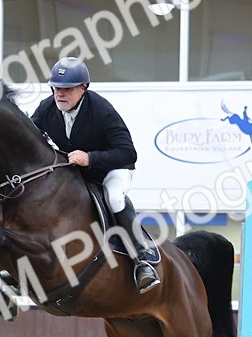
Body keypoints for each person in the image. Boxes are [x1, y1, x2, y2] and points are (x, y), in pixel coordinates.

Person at [30, 57, 160, 293]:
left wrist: (91, 158)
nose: (60, 94)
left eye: (67, 89)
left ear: (83, 88)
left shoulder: (102, 110)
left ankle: (141, 261)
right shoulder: (46, 108)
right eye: (56, 88)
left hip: (111, 170)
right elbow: (29, 141)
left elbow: (128, 153)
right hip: (75, 172)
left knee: (114, 198)